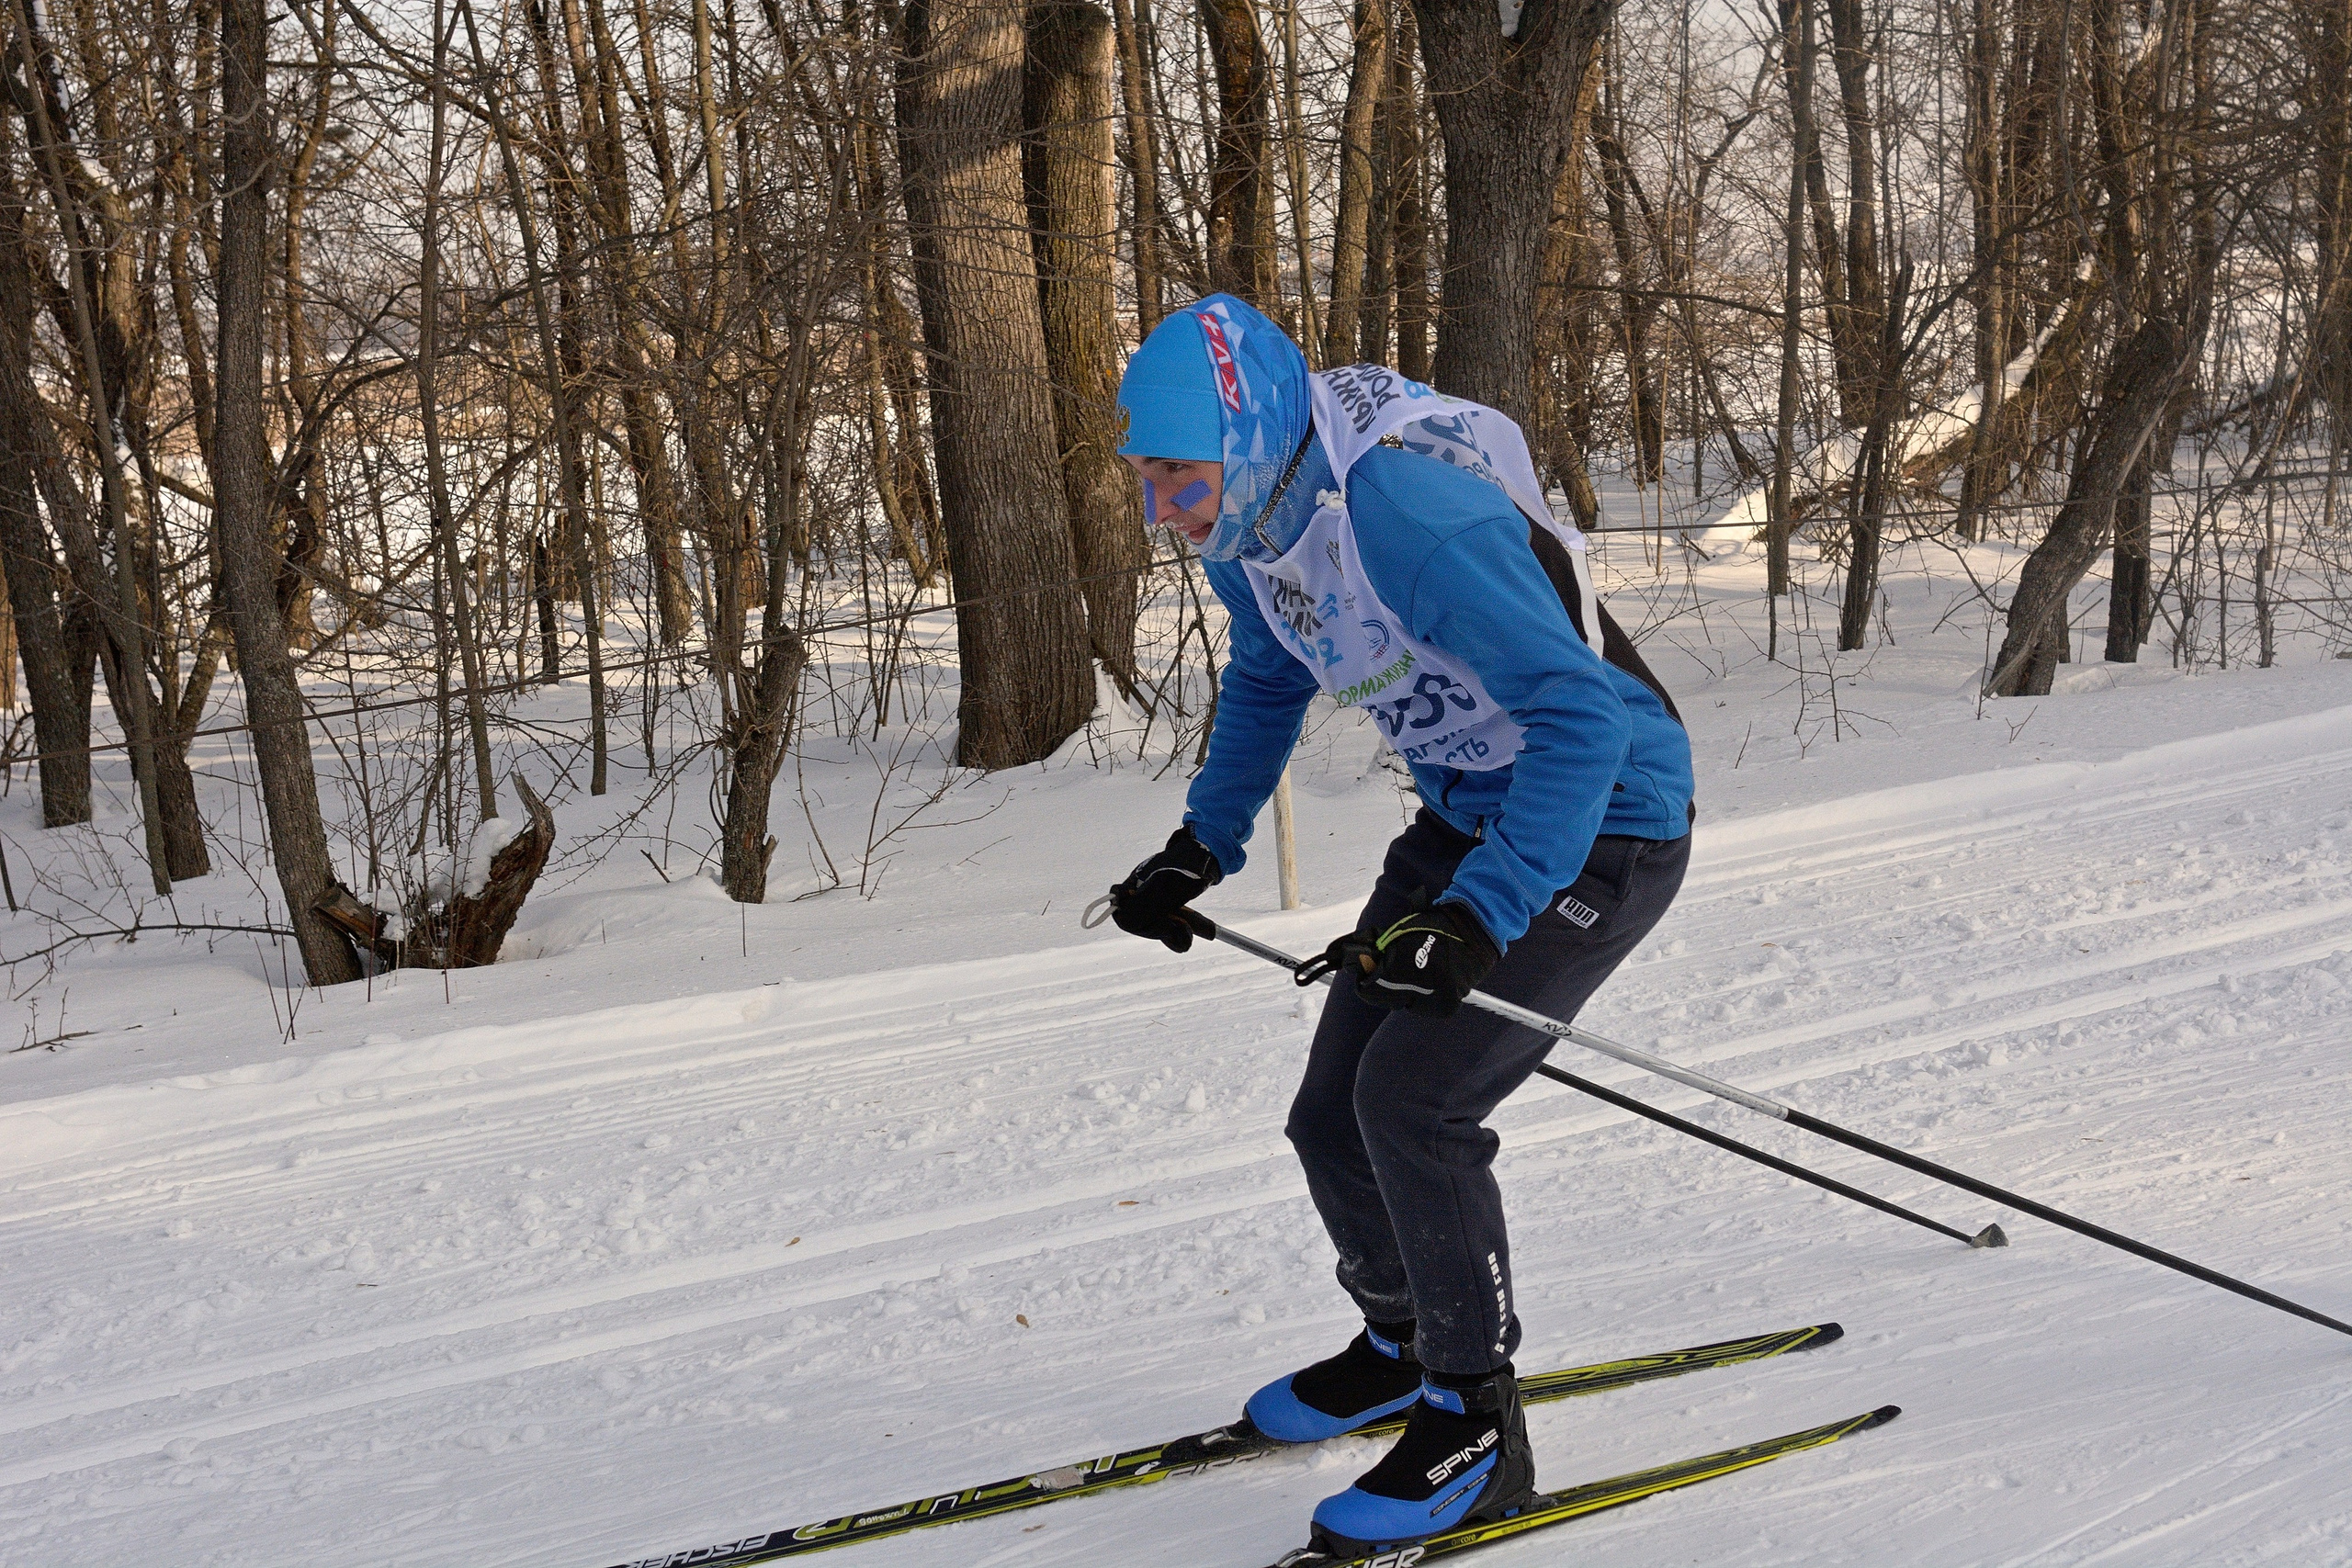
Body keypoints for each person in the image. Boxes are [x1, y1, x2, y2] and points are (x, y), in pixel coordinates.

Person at [1097, 294, 1696, 1557]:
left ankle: (1476, 1426)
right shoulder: (1256, 521)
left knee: (1415, 1103)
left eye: (1176, 476)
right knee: (1330, 1114)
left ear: (1250, 438)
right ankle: (1400, 1343)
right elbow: (1270, 672)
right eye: (1146, 480)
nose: (1163, 509)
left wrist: (1479, 915)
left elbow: (1581, 722)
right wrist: (1204, 842)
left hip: (1605, 821)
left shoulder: (1410, 519)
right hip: (1476, 813)